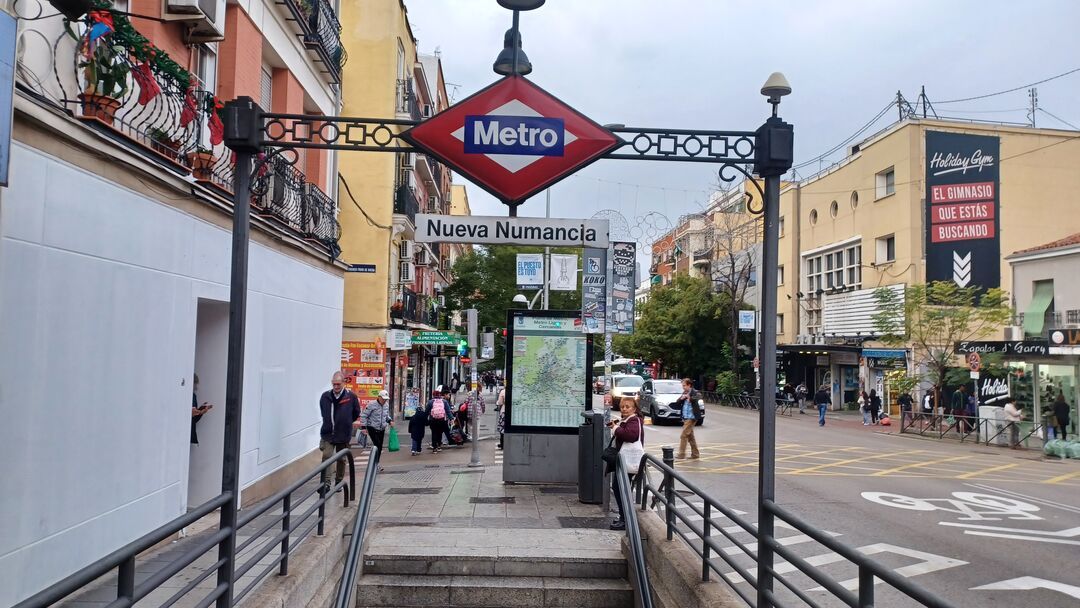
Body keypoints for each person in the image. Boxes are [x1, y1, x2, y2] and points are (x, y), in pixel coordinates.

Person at [607, 397, 645, 531]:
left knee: (620, 488)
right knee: (620, 488)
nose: (624, 409)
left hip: (628, 462)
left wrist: (616, 428)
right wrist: (616, 425)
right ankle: (624, 516)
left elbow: (631, 436)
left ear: (634, 409)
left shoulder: (634, 420)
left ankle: (625, 519)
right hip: (625, 461)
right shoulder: (628, 420)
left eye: (628, 407)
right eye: (622, 407)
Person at [319, 372, 361, 491]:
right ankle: (326, 483)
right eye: (334, 384)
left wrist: (346, 422)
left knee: (341, 459)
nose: (336, 387)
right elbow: (323, 412)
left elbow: (356, 413)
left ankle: (338, 482)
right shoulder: (325, 396)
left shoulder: (351, 397)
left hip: (343, 434)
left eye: (338, 384)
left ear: (343, 383)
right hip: (328, 433)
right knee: (326, 456)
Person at [360, 390, 393, 471]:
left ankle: (376, 463)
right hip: (372, 427)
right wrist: (364, 427)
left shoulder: (386, 405)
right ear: (379, 397)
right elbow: (364, 416)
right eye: (383, 399)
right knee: (377, 445)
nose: (384, 401)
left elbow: (386, 416)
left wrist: (390, 421)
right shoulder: (372, 404)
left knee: (380, 447)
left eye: (386, 399)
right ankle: (375, 464)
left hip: (382, 428)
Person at [676, 378, 701, 460]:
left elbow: (698, 397)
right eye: (682, 385)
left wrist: (689, 398)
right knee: (690, 436)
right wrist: (681, 398)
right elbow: (677, 402)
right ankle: (695, 454)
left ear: (689, 385)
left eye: (684, 385)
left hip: (692, 417)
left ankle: (681, 454)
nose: (683, 387)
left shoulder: (695, 392)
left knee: (683, 435)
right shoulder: (684, 392)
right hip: (686, 417)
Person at [190, 373, 214, 445]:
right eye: (195, 384)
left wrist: (201, 411)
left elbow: (193, 420)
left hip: (190, 434)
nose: (196, 387)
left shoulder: (193, 396)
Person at [427, 387, 451, 453]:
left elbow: (426, 411)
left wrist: (425, 419)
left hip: (433, 420)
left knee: (434, 433)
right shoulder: (444, 401)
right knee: (440, 433)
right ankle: (439, 446)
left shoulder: (430, 402)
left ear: (433, 395)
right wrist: (451, 418)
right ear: (440, 395)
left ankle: (434, 448)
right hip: (442, 420)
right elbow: (448, 411)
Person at [408, 390, 429, 455]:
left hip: (414, 431)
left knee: (414, 440)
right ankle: (418, 450)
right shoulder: (423, 416)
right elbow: (426, 423)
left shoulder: (413, 417)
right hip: (421, 431)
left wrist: (410, 430)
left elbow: (410, 424)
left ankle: (413, 450)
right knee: (419, 440)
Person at [496, 382, 507, 449]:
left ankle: (502, 443)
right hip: (513, 412)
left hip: (504, 411)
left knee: (502, 428)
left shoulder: (503, 392)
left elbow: (500, 402)